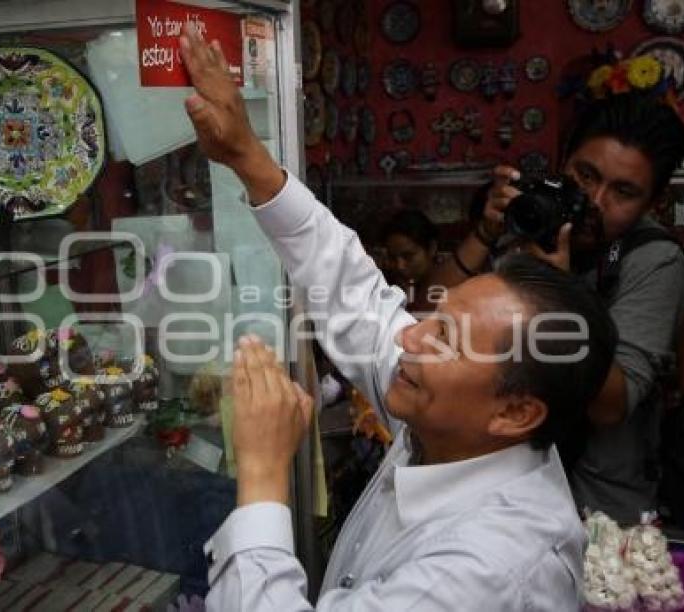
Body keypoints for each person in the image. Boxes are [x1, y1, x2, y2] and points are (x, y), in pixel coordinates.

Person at [178, 24, 616, 610]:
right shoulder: (458, 423)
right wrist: (246, 157)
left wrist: (261, 476)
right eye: (435, 317)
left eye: (446, 339)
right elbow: (357, 294)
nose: (409, 335)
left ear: (515, 412)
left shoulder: (489, 569)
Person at [429, 91, 684, 525]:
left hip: (596, 507)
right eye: (585, 175)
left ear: (652, 203)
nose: (595, 201)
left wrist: (558, 288)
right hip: (497, 487)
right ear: (562, 161)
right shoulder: (537, 220)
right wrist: (486, 232)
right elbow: (430, 315)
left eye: (623, 192)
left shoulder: (653, 258)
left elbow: (611, 406)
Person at [381, 209, 439, 307]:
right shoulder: (386, 287)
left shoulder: (451, 289)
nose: (400, 266)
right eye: (392, 258)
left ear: (431, 248)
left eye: (408, 256)